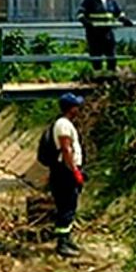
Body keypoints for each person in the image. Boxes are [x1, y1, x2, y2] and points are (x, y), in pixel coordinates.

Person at [49, 93, 85, 258]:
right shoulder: (63, 125)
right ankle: (62, 244)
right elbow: (66, 149)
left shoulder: (65, 123)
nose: (79, 108)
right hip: (65, 172)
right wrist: (75, 171)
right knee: (66, 206)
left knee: (69, 206)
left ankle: (66, 238)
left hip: (66, 170)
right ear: (71, 108)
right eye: (77, 106)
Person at [76, 0, 133, 72]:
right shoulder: (90, 0)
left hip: (108, 33)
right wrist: (86, 22)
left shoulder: (111, 0)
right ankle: (97, 76)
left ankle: (111, 76)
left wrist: (124, 20)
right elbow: (80, 14)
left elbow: (118, 13)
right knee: (96, 57)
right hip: (94, 34)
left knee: (111, 56)